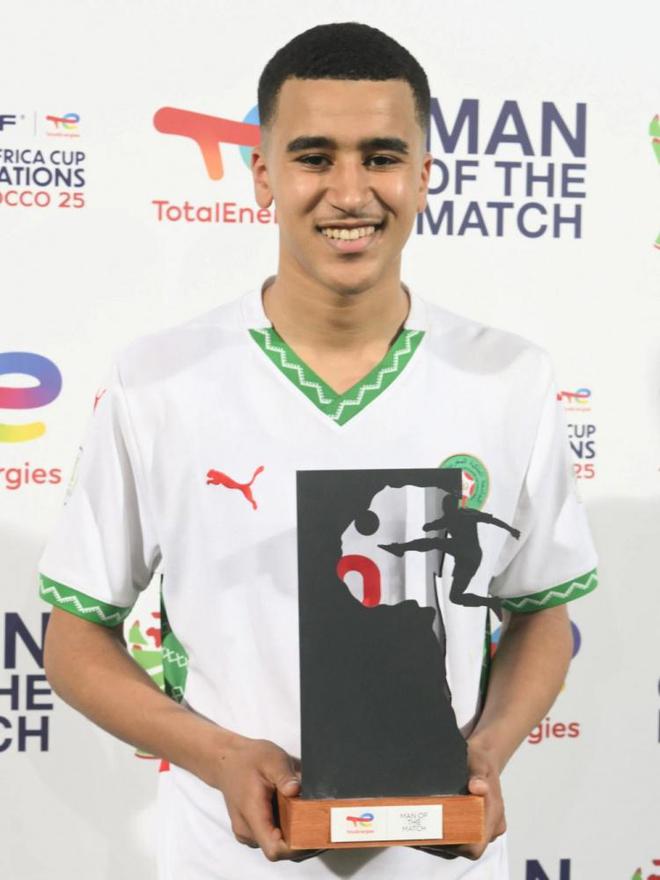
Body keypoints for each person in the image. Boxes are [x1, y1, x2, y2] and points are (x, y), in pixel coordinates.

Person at [38, 21, 598, 880]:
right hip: (227, 863)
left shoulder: (510, 378)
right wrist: (220, 755)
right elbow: (75, 638)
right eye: (313, 157)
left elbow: (541, 613)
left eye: (381, 156)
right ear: (263, 175)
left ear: (424, 174)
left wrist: (486, 753)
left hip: (440, 864)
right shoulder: (158, 381)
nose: (349, 191)